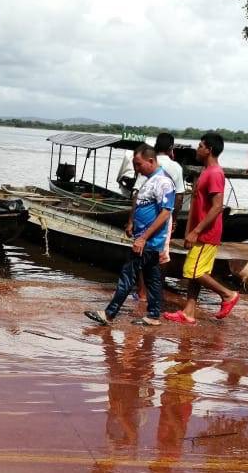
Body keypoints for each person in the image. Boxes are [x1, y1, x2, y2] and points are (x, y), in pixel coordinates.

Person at [85, 146, 175, 327]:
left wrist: (143, 238)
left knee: (128, 274)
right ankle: (154, 315)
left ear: (150, 161)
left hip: (148, 241)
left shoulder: (163, 182)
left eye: (138, 164)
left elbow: (165, 213)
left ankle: (109, 314)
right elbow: (141, 204)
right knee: (152, 277)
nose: (136, 168)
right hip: (144, 239)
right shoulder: (150, 180)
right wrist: (132, 222)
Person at [163, 133, 240, 325]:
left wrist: (197, 231)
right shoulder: (206, 171)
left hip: (207, 233)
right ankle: (189, 313)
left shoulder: (215, 173)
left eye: (200, 146)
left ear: (209, 150)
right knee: (195, 273)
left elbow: (217, 206)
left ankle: (228, 295)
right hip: (199, 232)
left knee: (194, 271)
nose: (197, 149)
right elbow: (198, 204)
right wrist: (189, 230)